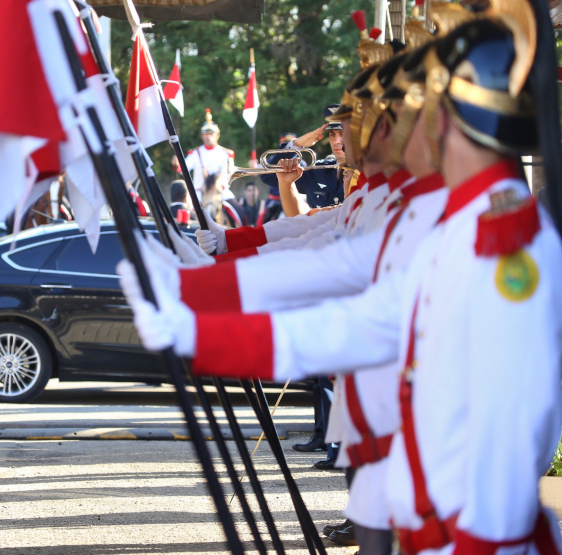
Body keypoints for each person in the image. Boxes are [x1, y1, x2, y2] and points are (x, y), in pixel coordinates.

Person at [125, 10, 562, 554]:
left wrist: (198, 312)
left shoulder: (500, 238)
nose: (396, 127)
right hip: (424, 500)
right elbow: (355, 306)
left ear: (446, 120)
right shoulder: (457, 221)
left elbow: (503, 423)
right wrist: (198, 313)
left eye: (409, 111)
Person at [261, 106, 346, 217]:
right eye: (332, 134)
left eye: (342, 134)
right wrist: (297, 144)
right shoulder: (319, 171)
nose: (336, 141)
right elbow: (268, 177)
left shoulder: (368, 173)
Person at [172, 109, 235, 200]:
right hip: (199, 194)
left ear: (217, 136)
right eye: (205, 134)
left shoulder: (226, 154)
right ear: (202, 136)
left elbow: (231, 174)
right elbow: (183, 169)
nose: (208, 137)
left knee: (238, 211)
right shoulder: (195, 153)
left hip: (220, 193)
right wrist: (177, 163)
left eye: (211, 134)